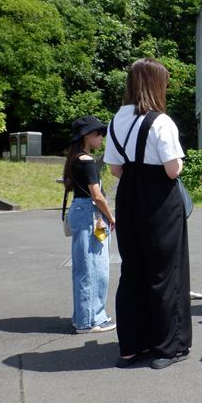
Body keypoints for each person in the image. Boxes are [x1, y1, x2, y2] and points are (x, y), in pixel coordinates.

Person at [104, 58, 192, 369]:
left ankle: (131, 347)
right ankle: (169, 347)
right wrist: (178, 165)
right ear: (156, 84)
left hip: (128, 196)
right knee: (165, 272)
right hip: (158, 200)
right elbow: (172, 170)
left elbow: (115, 169)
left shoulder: (116, 119)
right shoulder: (161, 121)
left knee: (133, 271)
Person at [63, 116, 116, 334]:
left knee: (84, 268)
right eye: (98, 134)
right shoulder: (86, 161)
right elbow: (98, 196)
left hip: (79, 210)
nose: (101, 138)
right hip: (90, 215)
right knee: (95, 269)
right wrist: (111, 217)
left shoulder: (74, 158)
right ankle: (91, 320)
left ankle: (83, 318)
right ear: (87, 136)